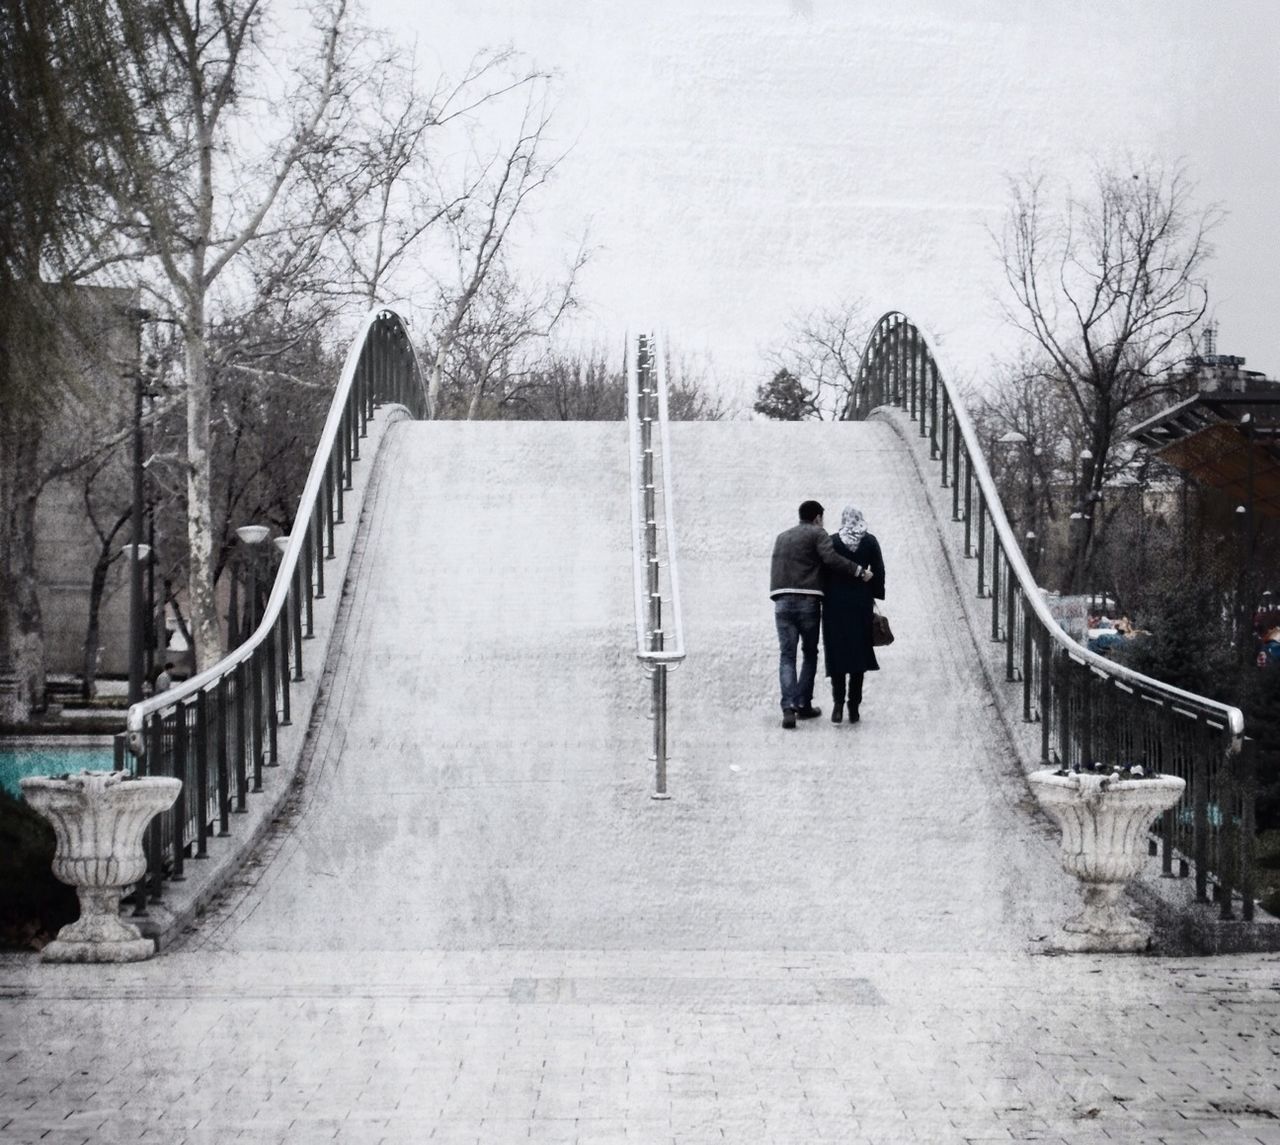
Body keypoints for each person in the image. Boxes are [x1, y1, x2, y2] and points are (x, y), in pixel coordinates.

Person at [770, 499, 873, 728]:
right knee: (809, 653)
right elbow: (831, 559)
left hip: (782, 601)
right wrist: (858, 571)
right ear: (817, 518)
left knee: (787, 656)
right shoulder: (818, 534)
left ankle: (788, 707)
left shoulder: (782, 536)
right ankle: (803, 704)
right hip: (807, 600)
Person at [821, 504, 885, 724]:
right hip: (860, 604)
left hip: (834, 605)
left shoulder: (832, 541)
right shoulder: (869, 541)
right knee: (859, 654)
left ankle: (837, 705)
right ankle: (854, 707)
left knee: (838, 653)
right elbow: (879, 570)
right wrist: (874, 591)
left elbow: (823, 570)